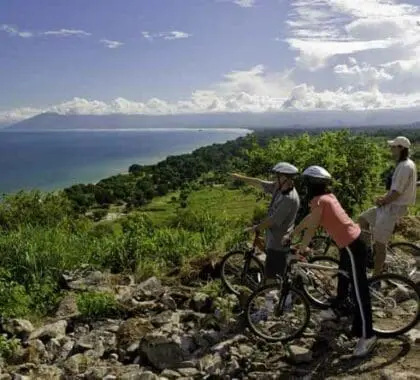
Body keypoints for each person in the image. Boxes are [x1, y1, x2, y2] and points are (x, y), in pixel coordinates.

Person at [293, 165, 376, 358]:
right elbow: (310, 219)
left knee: (359, 291)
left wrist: (302, 249)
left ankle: (368, 335)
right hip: (351, 244)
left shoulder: (320, 201)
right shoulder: (326, 198)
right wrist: (294, 232)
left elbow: (312, 228)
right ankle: (354, 324)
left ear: (311, 184)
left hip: (351, 247)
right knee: (345, 280)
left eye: (306, 183)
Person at [230, 162, 300, 282]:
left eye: (277, 176)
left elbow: (273, 220)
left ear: (284, 178)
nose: (274, 179)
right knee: (276, 274)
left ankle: (276, 298)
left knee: (272, 279)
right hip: (273, 238)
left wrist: (255, 228)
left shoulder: (289, 199)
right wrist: (240, 177)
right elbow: (259, 183)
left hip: (278, 244)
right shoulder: (279, 188)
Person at [359, 136, 417, 276]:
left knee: (380, 244)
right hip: (389, 205)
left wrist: (382, 201)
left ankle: (376, 275)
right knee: (363, 219)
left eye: (393, 147)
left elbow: (397, 192)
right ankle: (369, 253)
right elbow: (395, 190)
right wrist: (384, 197)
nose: (391, 149)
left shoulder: (404, 167)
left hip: (393, 208)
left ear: (401, 148)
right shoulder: (405, 164)